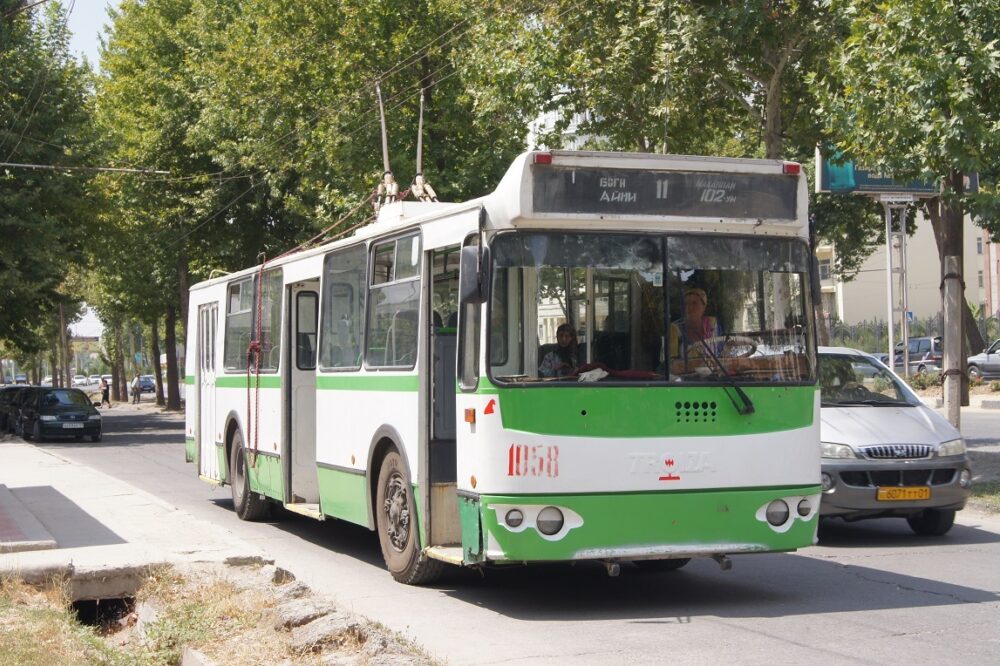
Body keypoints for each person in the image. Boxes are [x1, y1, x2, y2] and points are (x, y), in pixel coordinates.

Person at [669, 287, 723, 360]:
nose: (689, 307)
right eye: (686, 304)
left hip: (714, 371)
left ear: (704, 306)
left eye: (695, 303)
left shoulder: (713, 326)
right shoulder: (675, 329)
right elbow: (671, 363)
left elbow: (723, 355)